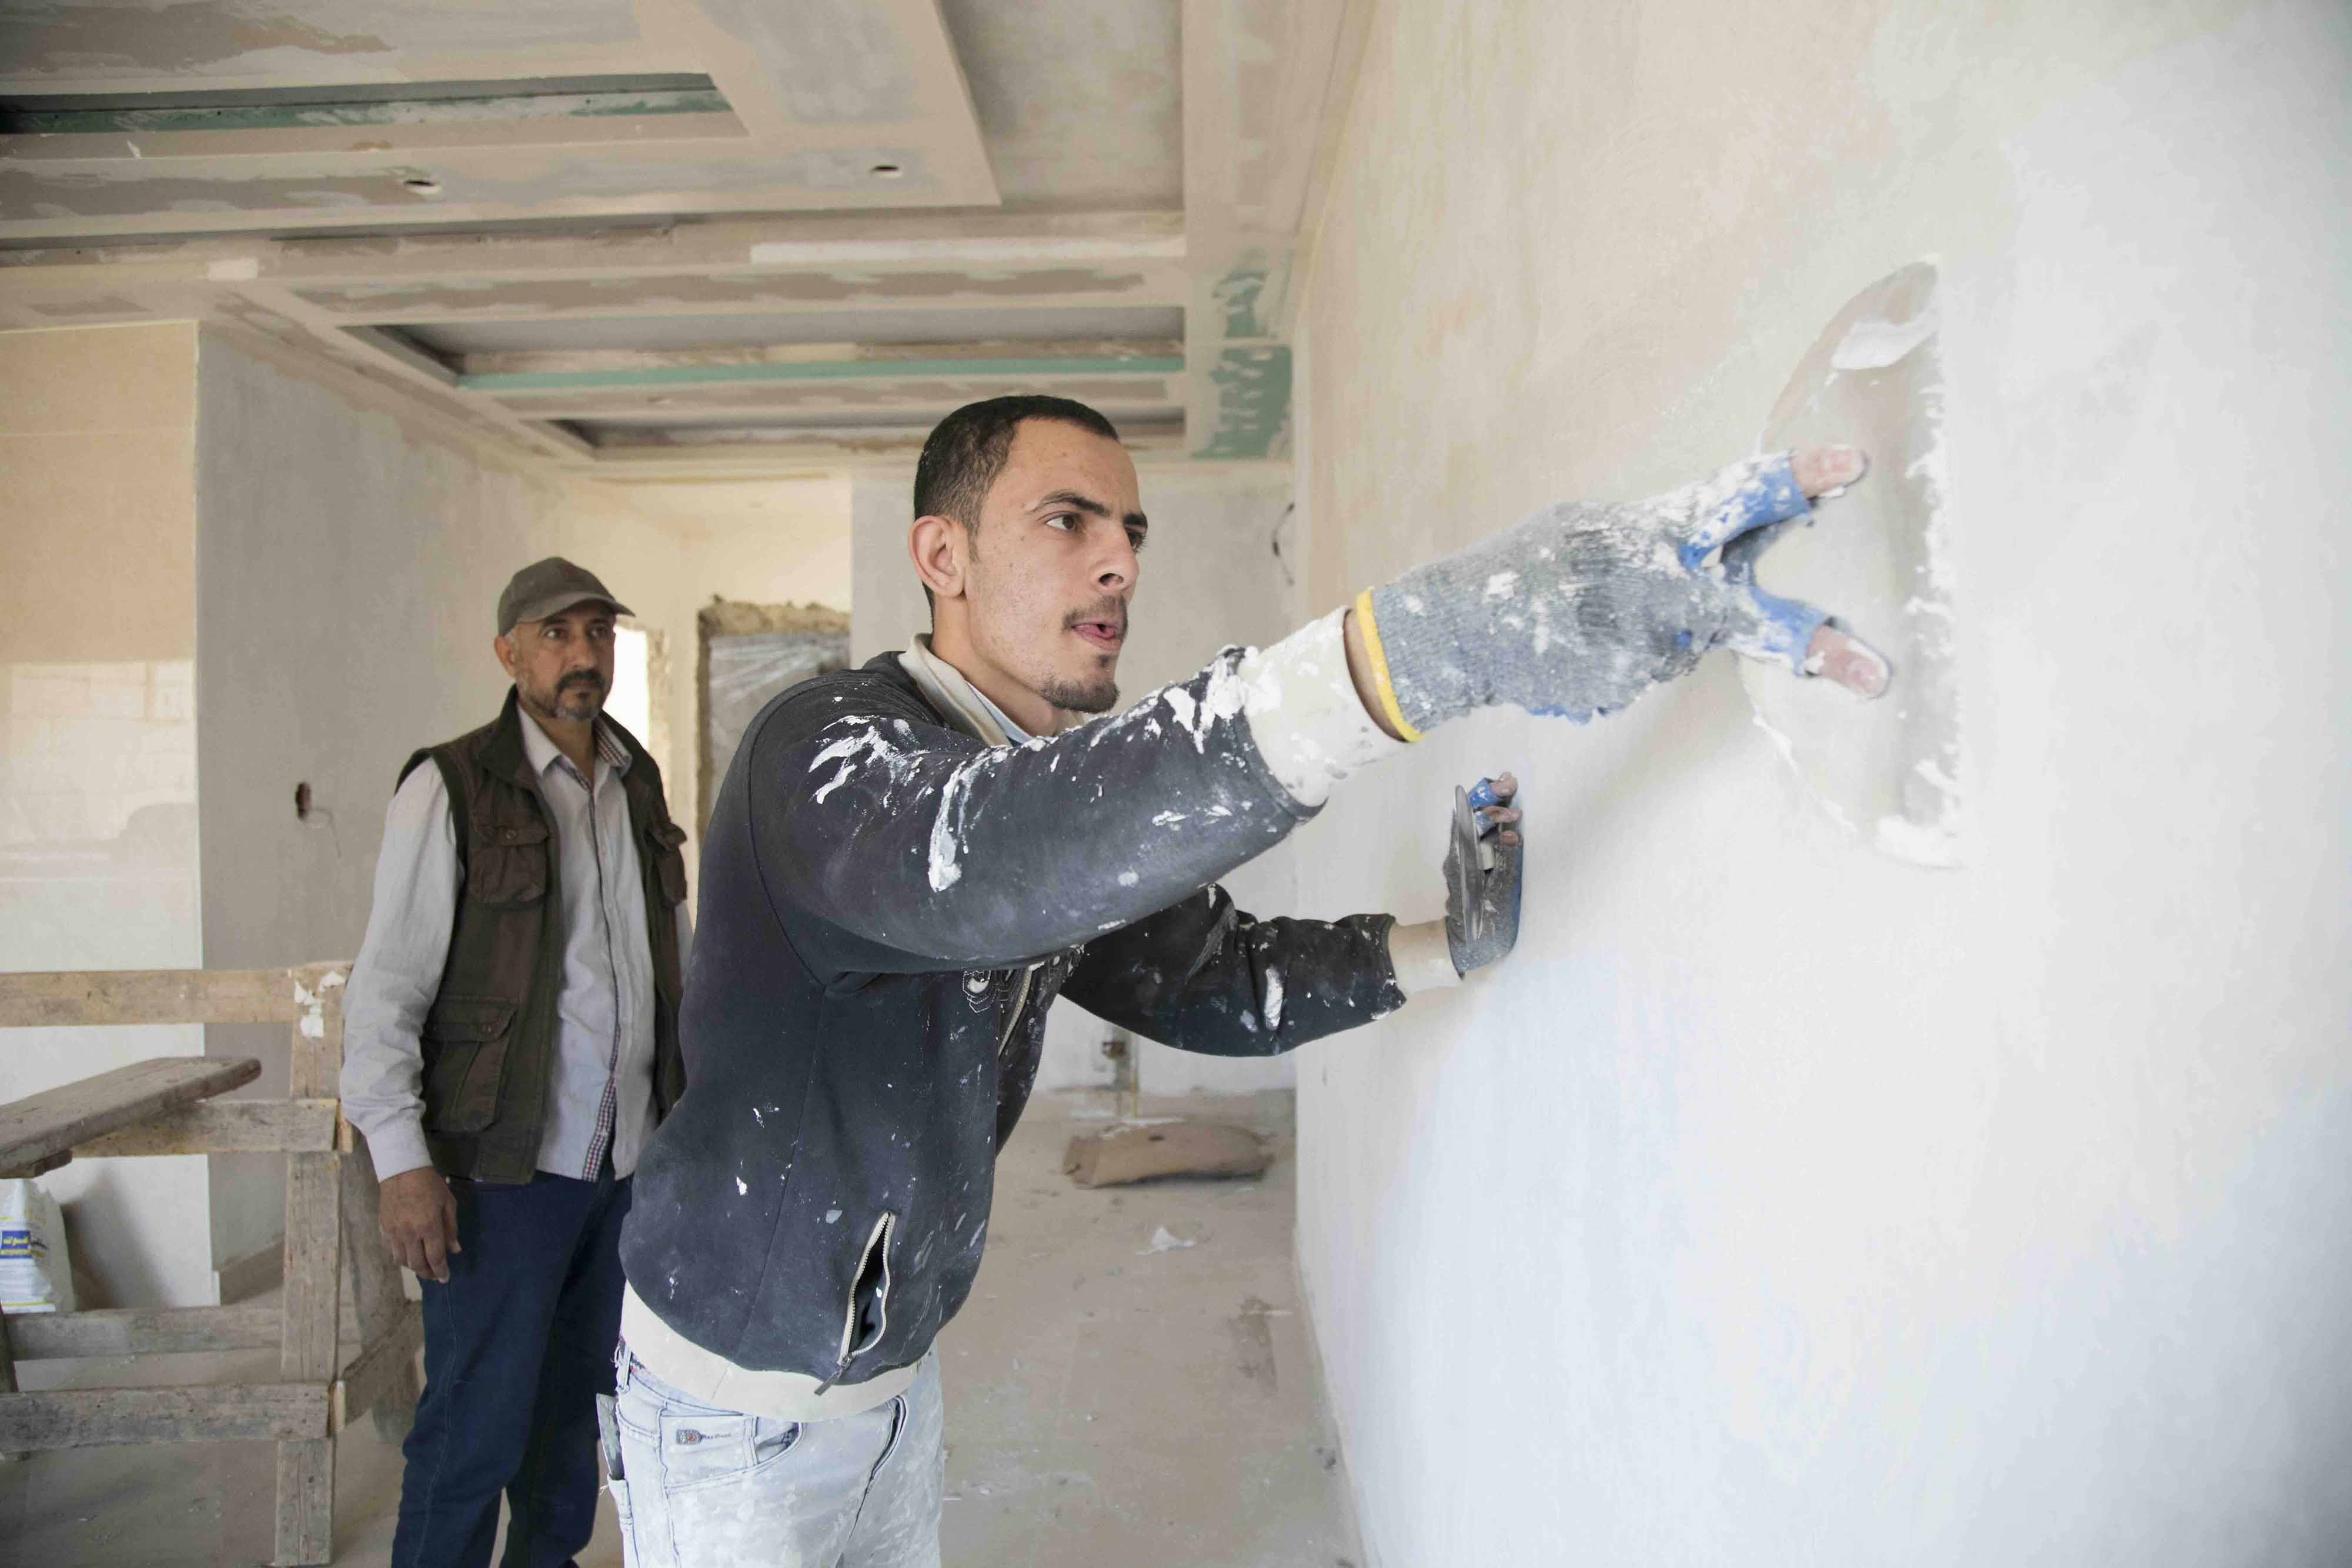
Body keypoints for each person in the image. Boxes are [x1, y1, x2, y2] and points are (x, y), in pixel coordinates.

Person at [604, 396, 1883, 1566]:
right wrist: (1429, 641)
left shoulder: (1027, 781)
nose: (1119, 561)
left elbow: (1204, 977)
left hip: (894, 1378)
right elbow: (992, 857)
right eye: (1067, 520)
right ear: (942, 555)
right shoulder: (827, 751)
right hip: (731, 1410)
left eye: (1131, 531)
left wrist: (1444, 945)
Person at [340, 558, 691, 1568]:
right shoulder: (450, 786)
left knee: (574, 1417)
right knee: (473, 1428)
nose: (583, 654)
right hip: (502, 1170)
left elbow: (668, 959)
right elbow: (387, 989)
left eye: (598, 633)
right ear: (509, 653)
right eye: (556, 634)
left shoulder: (634, 778)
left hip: (621, 1169)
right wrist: (402, 1164)